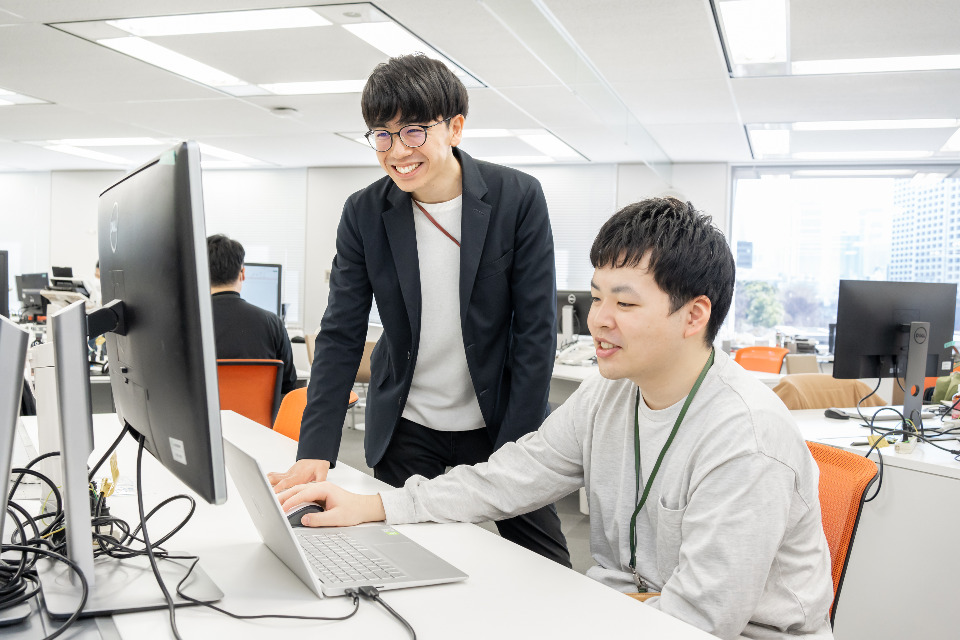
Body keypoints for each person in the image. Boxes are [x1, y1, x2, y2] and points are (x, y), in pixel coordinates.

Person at [277, 198, 836, 640]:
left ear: (694, 315)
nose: (599, 320)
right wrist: (377, 505)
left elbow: (699, 622)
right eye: (596, 298)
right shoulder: (608, 395)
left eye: (625, 304)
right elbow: (509, 477)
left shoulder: (745, 439)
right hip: (624, 610)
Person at [267, 54, 570, 568]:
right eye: (382, 135)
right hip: (408, 426)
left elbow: (536, 333)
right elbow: (341, 333)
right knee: (399, 564)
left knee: (546, 565)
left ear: (455, 127)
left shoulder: (516, 197)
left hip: (500, 423)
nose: (398, 151)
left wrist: (517, 451)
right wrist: (314, 447)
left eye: (413, 131)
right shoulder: (364, 212)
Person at [207, 234, 297, 395]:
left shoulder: (189, 324)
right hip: (259, 412)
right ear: (242, 273)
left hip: (206, 412)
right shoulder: (273, 323)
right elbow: (289, 388)